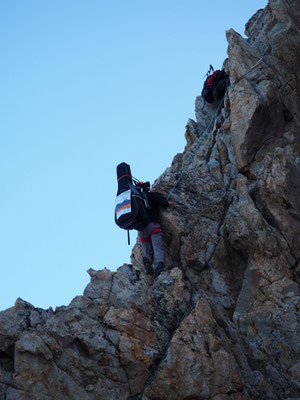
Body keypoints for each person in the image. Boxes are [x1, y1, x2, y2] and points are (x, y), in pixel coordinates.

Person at [137, 189, 171, 277]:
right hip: (153, 226)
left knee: (147, 252)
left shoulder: (138, 199)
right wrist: (169, 202)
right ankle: (159, 267)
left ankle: (147, 260)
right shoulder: (152, 195)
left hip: (141, 230)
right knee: (157, 247)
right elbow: (163, 203)